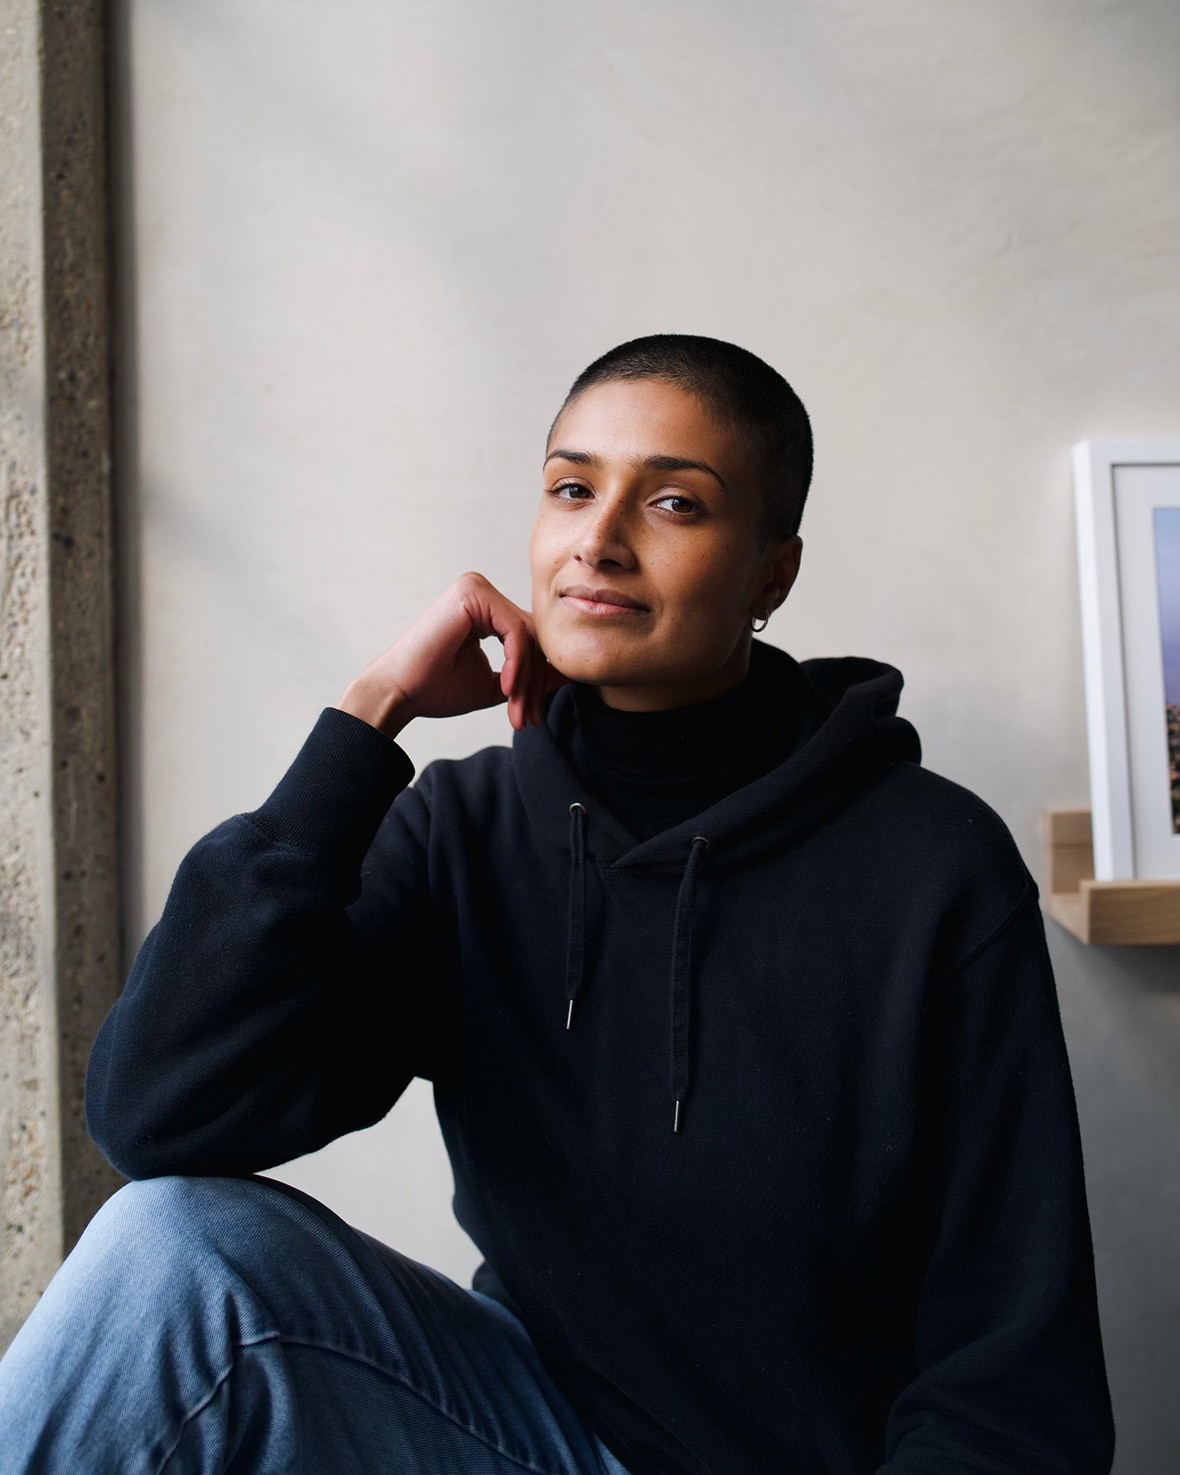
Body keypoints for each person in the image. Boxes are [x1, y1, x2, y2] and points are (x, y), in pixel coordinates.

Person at [0, 335, 1114, 1474]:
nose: (599, 537)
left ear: (770, 572)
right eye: (572, 489)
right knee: (175, 1244)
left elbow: (1011, 1380)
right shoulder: (462, 832)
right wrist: (366, 719)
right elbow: (159, 1113)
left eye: (675, 502)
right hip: (526, 1433)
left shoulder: (932, 866)